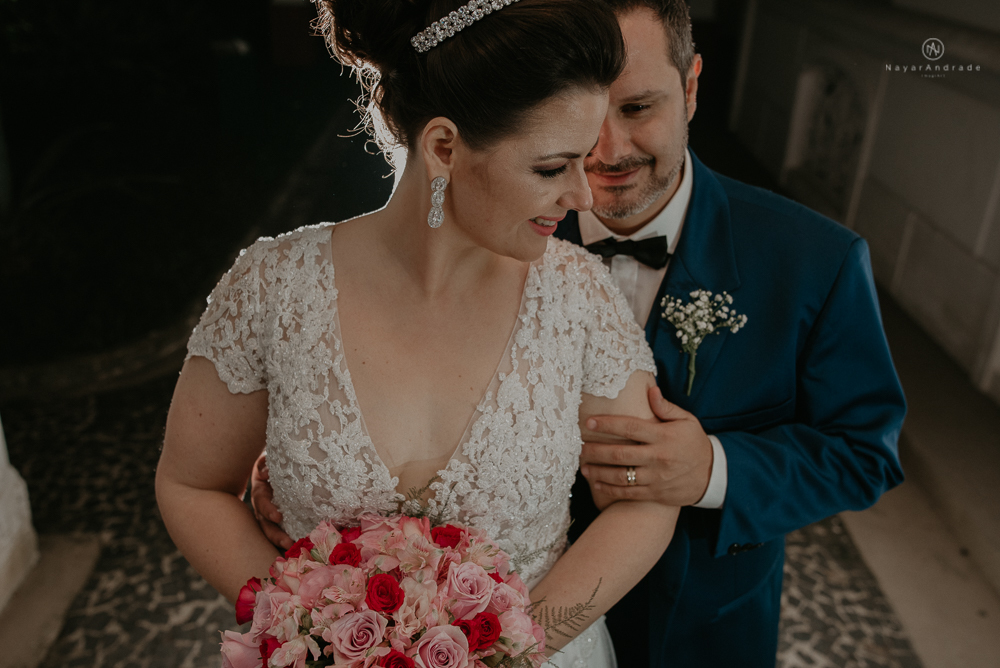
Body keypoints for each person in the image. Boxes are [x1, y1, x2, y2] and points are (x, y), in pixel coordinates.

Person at [249, 1, 907, 666]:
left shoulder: (814, 262)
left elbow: (864, 452)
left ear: (691, 87)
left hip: (698, 625)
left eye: (639, 107)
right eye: (584, 117)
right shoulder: (486, 220)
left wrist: (713, 470)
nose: (608, 150)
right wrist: (309, 460)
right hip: (483, 620)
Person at [155, 1, 680, 666]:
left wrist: (513, 647)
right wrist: (309, 628)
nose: (582, 195)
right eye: (552, 168)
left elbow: (643, 504)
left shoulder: (579, 300)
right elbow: (192, 485)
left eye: (585, 160)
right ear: (443, 148)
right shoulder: (273, 289)